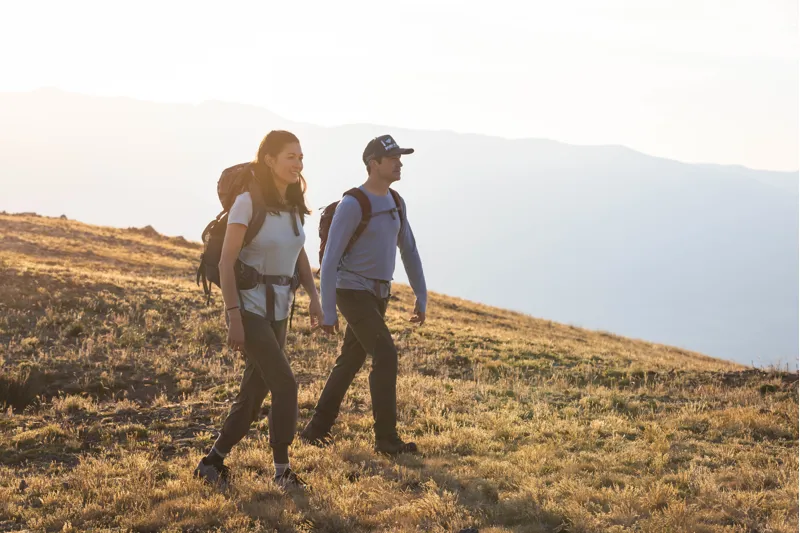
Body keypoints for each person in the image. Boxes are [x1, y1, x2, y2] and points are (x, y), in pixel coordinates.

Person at [194, 130, 322, 489]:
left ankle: (212, 461)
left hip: (280, 310)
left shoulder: (294, 203)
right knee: (286, 385)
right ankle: (282, 471)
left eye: (300, 157)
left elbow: (297, 251)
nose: (298, 164)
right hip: (248, 310)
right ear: (269, 160)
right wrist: (233, 316)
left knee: (253, 393)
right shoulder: (247, 203)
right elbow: (225, 262)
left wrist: (314, 295)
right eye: (290, 157)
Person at [300, 134, 428, 455]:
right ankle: (386, 439)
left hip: (379, 294)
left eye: (401, 157)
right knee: (385, 354)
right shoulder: (352, 204)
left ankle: (316, 431)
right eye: (393, 158)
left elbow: (409, 250)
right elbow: (329, 262)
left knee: (352, 359)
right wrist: (328, 310)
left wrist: (421, 296)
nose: (400, 163)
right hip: (351, 290)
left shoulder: (397, 202)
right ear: (374, 164)